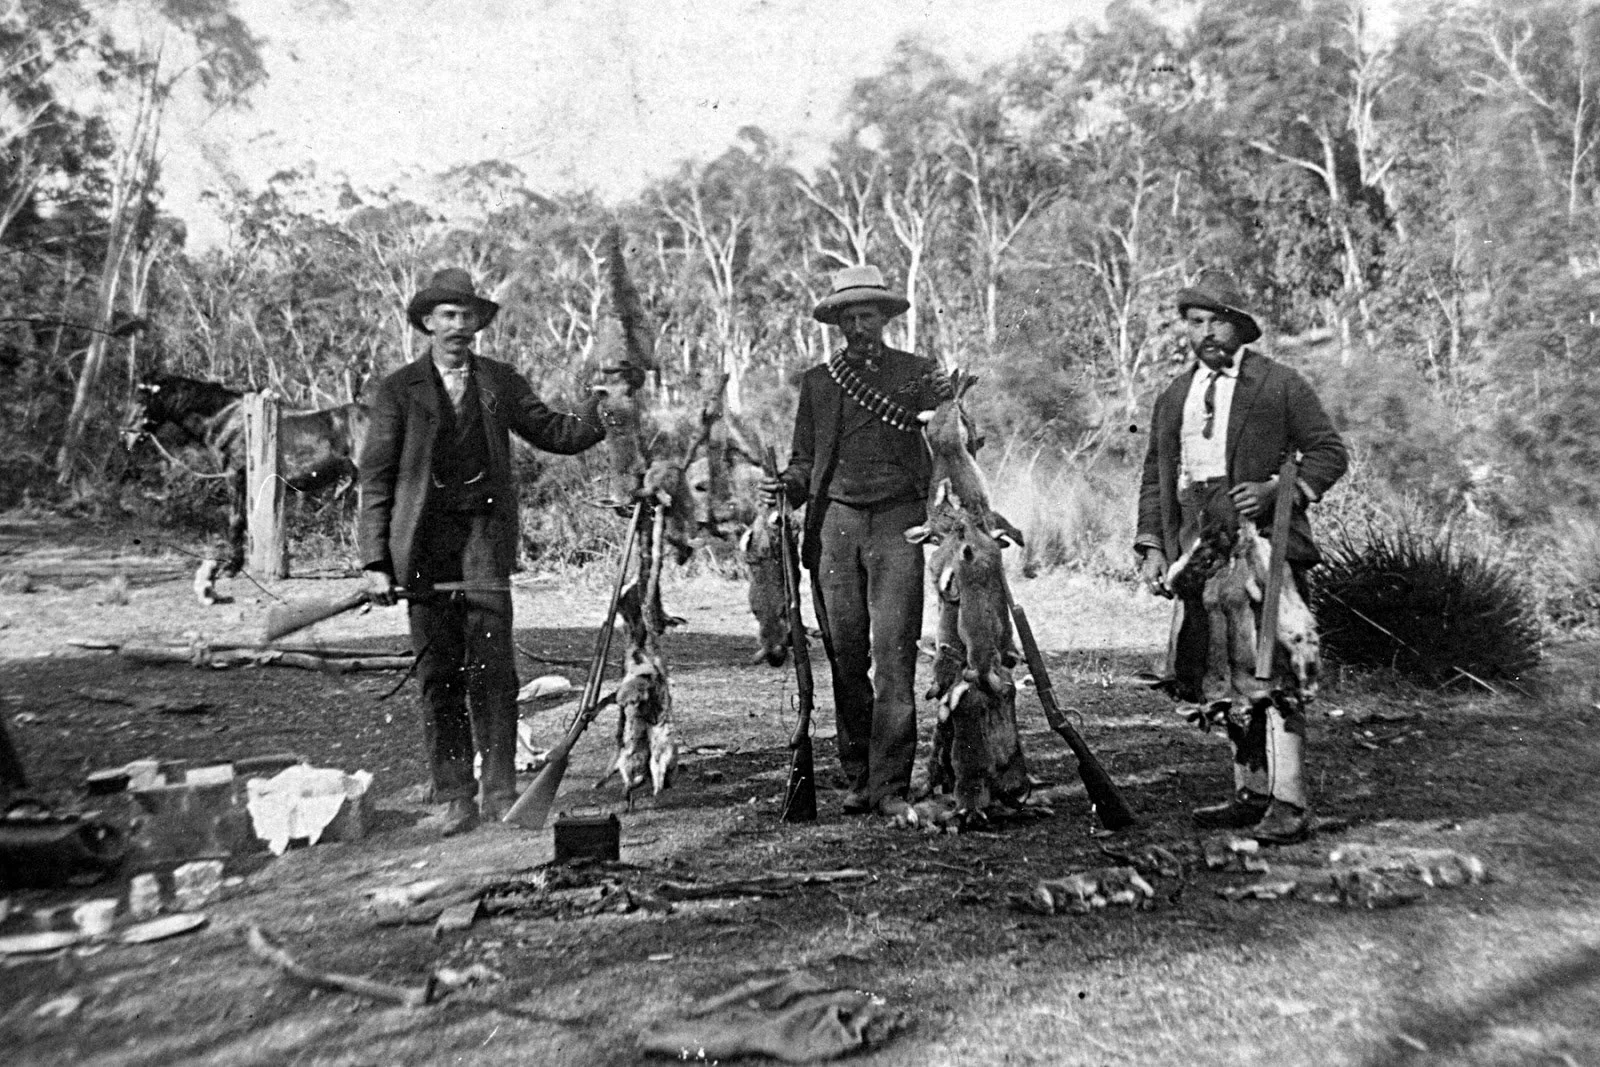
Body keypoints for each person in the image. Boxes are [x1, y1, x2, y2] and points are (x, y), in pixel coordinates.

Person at [358, 268, 606, 835]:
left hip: (483, 542)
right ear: (427, 323)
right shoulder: (399, 390)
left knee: (493, 669)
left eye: (467, 317)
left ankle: (500, 793)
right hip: (421, 546)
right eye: (447, 316)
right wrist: (376, 562)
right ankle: (454, 796)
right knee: (438, 672)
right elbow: (376, 479)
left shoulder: (499, 381)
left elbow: (556, 432)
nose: (459, 327)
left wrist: (602, 410)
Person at [1134, 268, 1347, 843]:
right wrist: (1154, 544)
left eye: (1216, 321)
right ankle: (1249, 791)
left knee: (1273, 669)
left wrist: (1281, 488)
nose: (1205, 333)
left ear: (1240, 328)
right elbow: (1156, 478)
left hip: (1265, 547)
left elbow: (1329, 452)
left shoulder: (1279, 385)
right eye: (1195, 322)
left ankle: (1290, 800)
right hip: (1202, 552)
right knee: (1224, 669)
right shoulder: (1174, 396)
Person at [761, 265, 949, 823]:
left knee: (894, 656)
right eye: (849, 317)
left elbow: (956, 438)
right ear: (838, 323)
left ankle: (892, 783)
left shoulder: (919, 374)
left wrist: (948, 402)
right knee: (846, 655)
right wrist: (786, 486)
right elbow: (802, 460)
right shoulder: (819, 383)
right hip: (835, 528)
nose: (859, 326)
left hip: (899, 525)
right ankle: (859, 775)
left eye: (868, 315)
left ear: (885, 318)